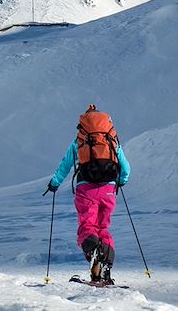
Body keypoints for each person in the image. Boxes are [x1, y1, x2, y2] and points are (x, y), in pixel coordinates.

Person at [47, 104, 130, 285]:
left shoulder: (80, 140)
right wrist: (120, 182)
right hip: (109, 190)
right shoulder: (112, 140)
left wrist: (54, 184)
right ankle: (105, 267)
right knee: (103, 228)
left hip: (86, 189)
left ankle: (93, 253)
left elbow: (65, 165)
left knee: (87, 227)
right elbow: (126, 168)